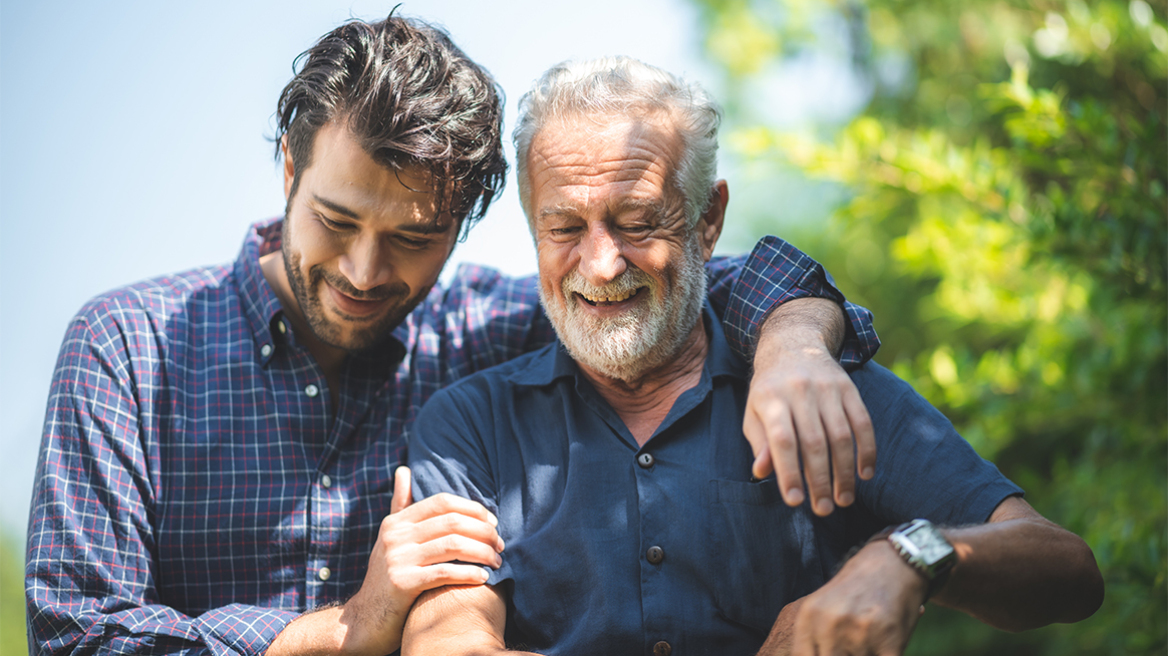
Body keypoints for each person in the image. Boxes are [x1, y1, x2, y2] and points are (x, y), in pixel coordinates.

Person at [25, 15, 882, 656]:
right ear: (290, 169)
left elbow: (677, 280)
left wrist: (795, 343)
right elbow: (75, 636)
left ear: (465, 225)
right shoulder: (126, 349)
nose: (364, 272)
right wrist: (339, 630)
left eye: (411, 239)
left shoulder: (489, 328)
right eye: (334, 220)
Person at [402, 56, 1105, 656]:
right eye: (563, 226)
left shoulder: (817, 388)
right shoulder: (470, 423)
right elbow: (446, 639)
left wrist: (908, 556)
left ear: (708, 220)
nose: (601, 263)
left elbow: (1068, 570)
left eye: (638, 222)